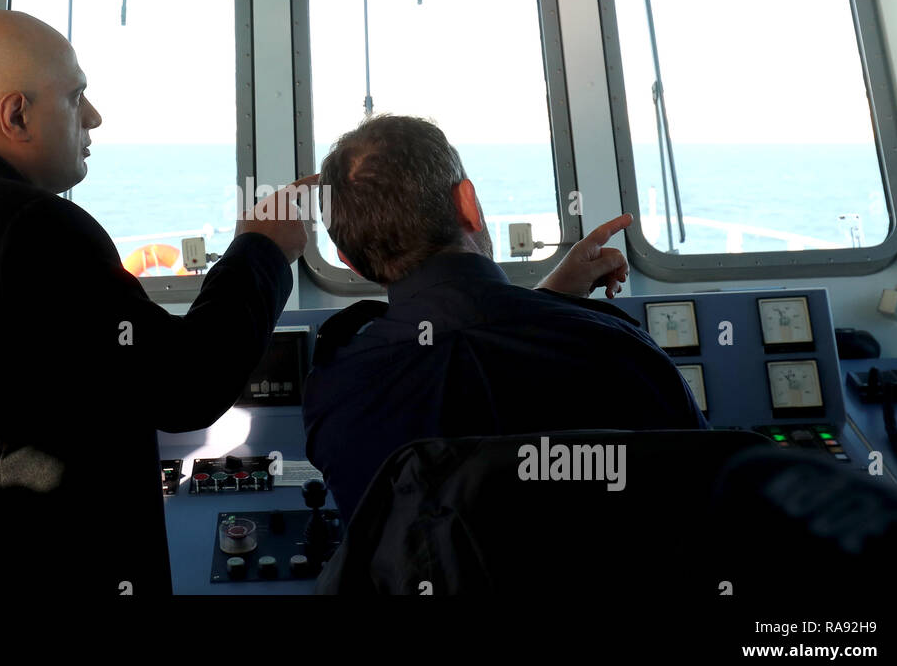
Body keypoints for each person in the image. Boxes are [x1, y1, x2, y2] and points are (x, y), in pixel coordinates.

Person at [0, 9, 312, 597]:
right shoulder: (37, 227)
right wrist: (262, 250)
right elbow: (188, 385)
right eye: (75, 97)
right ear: (17, 115)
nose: (93, 116)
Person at [303, 115, 707, 522]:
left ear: (349, 261)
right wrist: (553, 309)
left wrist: (549, 301)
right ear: (468, 204)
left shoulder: (336, 394)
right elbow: (707, 497)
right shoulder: (620, 349)